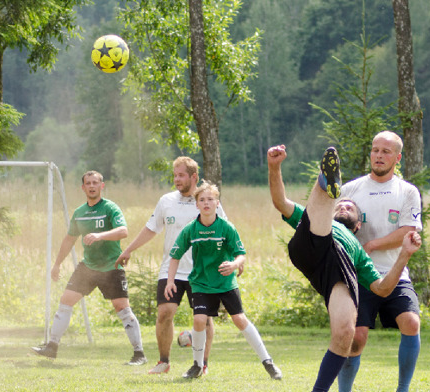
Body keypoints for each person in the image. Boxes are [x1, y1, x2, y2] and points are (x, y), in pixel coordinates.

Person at [266, 145, 421, 392]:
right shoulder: (327, 220)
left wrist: (405, 255)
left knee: (345, 335)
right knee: (318, 218)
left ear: (358, 224)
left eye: (350, 205)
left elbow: (382, 288)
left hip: (335, 273)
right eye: (342, 203)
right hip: (313, 241)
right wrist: (274, 166)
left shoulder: (359, 255)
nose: (345, 205)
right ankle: (324, 184)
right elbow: (280, 201)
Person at [337, 131, 423, 392]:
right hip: (359, 277)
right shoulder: (350, 189)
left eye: (386, 151)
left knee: (411, 322)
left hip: (395, 273)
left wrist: (371, 245)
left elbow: (407, 231)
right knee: (357, 338)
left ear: (397, 158)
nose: (378, 155)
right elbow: (333, 223)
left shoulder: (408, 192)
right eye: (375, 150)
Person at [115, 157, 226, 375]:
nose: (176, 179)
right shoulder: (166, 201)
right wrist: (128, 250)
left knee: (204, 319)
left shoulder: (207, 201)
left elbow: (224, 231)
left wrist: (228, 261)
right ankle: (163, 362)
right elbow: (151, 228)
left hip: (201, 271)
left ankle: (202, 364)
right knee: (165, 313)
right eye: (175, 175)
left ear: (193, 177)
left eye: (181, 175)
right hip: (171, 269)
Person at [165, 181, 282, 380]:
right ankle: (197, 365)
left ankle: (268, 361)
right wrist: (170, 281)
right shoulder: (190, 230)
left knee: (239, 319)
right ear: (197, 205)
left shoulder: (226, 227)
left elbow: (241, 255)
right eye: (202, 200)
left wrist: (234, 265)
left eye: (210, 199)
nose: (206, 203)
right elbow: (174, 256)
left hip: (225, 283)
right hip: (201, 283)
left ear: (217, 203)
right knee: (199, 320)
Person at [31, 171, 146, 365]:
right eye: (88, 183)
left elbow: (123, 231)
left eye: (95, 183)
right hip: (88, 267)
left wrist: (99, 236)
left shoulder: (110, 208)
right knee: (66, 301)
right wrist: (57, 264)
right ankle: (52, 347)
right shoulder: (79, 212)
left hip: (111, 266)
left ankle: (139, 354)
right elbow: (69, 239)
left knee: (122, 308)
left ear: (102, 186)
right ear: (83, 188)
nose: (92, 186)